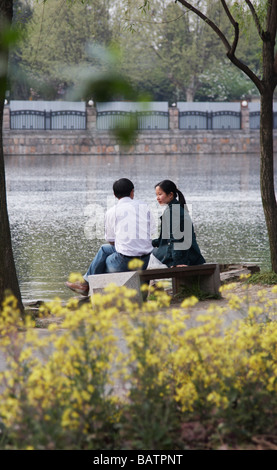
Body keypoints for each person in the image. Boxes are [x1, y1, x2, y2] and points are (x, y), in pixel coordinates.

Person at [66, 178, 156, 296]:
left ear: (114, 195)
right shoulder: (145, 207)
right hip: (145, 259)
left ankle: (86, 285)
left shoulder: (111, 212)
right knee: (104, 249)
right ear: (132, 192)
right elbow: (152, 232)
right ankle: (86, 284)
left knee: (102, 262)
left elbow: (111, 240)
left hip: (125, 262)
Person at [152, 179, 205, 267]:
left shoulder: (173, 211)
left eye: (160, 194)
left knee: (144, 258)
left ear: (170, 195)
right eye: (156, 195)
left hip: (185, 258)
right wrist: (147, 243)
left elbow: (177, 239)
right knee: (145, 252)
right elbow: (164, 239)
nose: (157, 197)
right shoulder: (174, 208)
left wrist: (178, 263)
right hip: (189, 255)